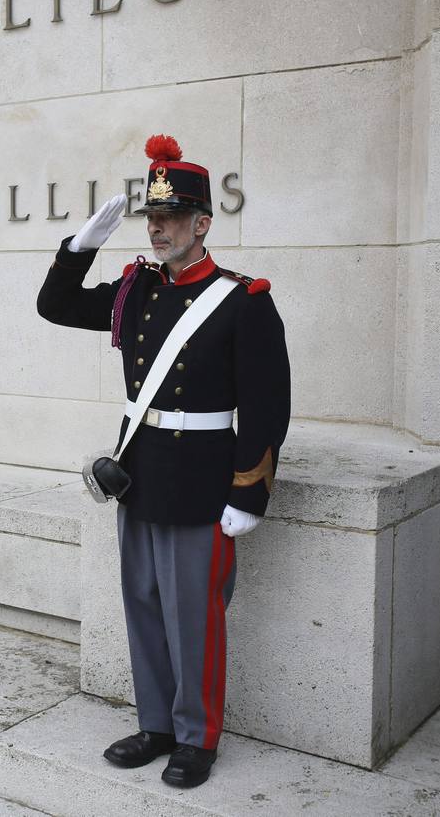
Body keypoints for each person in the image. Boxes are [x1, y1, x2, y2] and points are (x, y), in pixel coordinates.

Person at [36, 134, 290, 788]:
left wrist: (248, 492)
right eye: (151, 217)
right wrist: (78, 249)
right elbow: (55, 307)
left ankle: (196, 736)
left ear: (202, 224)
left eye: (171, 217)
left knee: (193, 611)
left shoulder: (244, 300)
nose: (158, 229)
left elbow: (266, 406)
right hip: (139, 471)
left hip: (205, 479)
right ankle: (155, 724)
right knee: (143, 601)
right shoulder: (135, 290)